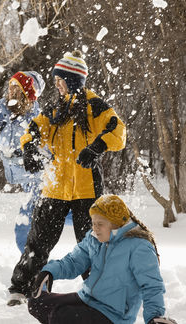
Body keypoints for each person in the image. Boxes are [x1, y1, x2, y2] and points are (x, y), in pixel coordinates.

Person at [7, 50, 127, 306]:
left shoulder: (96, 107)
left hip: (87, 188)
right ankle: (22, 286)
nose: (57, 85)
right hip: (55, 185)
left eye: (60, 80)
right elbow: (34, 128)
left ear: (73, 80)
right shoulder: (56, 109)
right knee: (38, 241)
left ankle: (99, 291)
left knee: (93, 243)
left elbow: (119, 130)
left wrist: (96, 147)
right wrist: (28, 147)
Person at [0, 71, 72, 253]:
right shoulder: (4, 109)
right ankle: (91, 218)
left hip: (39, 178)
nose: (11, 91)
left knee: (25, 225)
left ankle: (32, 269)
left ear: (27, 92)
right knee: (52, 214)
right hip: (26, 178)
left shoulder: (37, 118)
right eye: (10, 86)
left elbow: (52, 147)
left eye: (16, 87)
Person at [28, 195, 178, 324]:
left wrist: (154, 316)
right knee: (36, 302)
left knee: (60, 316)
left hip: (113, 315)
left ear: (115, 224)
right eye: (93, 223)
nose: (95, 228)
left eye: (100, 224)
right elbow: (74, 261)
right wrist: (49, 272)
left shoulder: (139, 247)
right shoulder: (94, 238)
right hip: (87, 299)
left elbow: (151, 286)